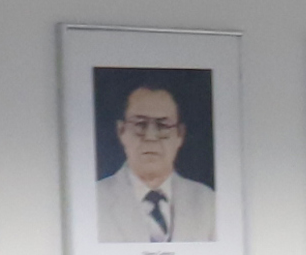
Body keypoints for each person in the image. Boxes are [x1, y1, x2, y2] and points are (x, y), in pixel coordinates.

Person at [93, 77, 216, 243]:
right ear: (121, 131)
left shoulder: (208, 203)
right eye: (140, 124)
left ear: (180, 134)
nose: (150, 137)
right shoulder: (94, 200)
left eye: (163, 125)